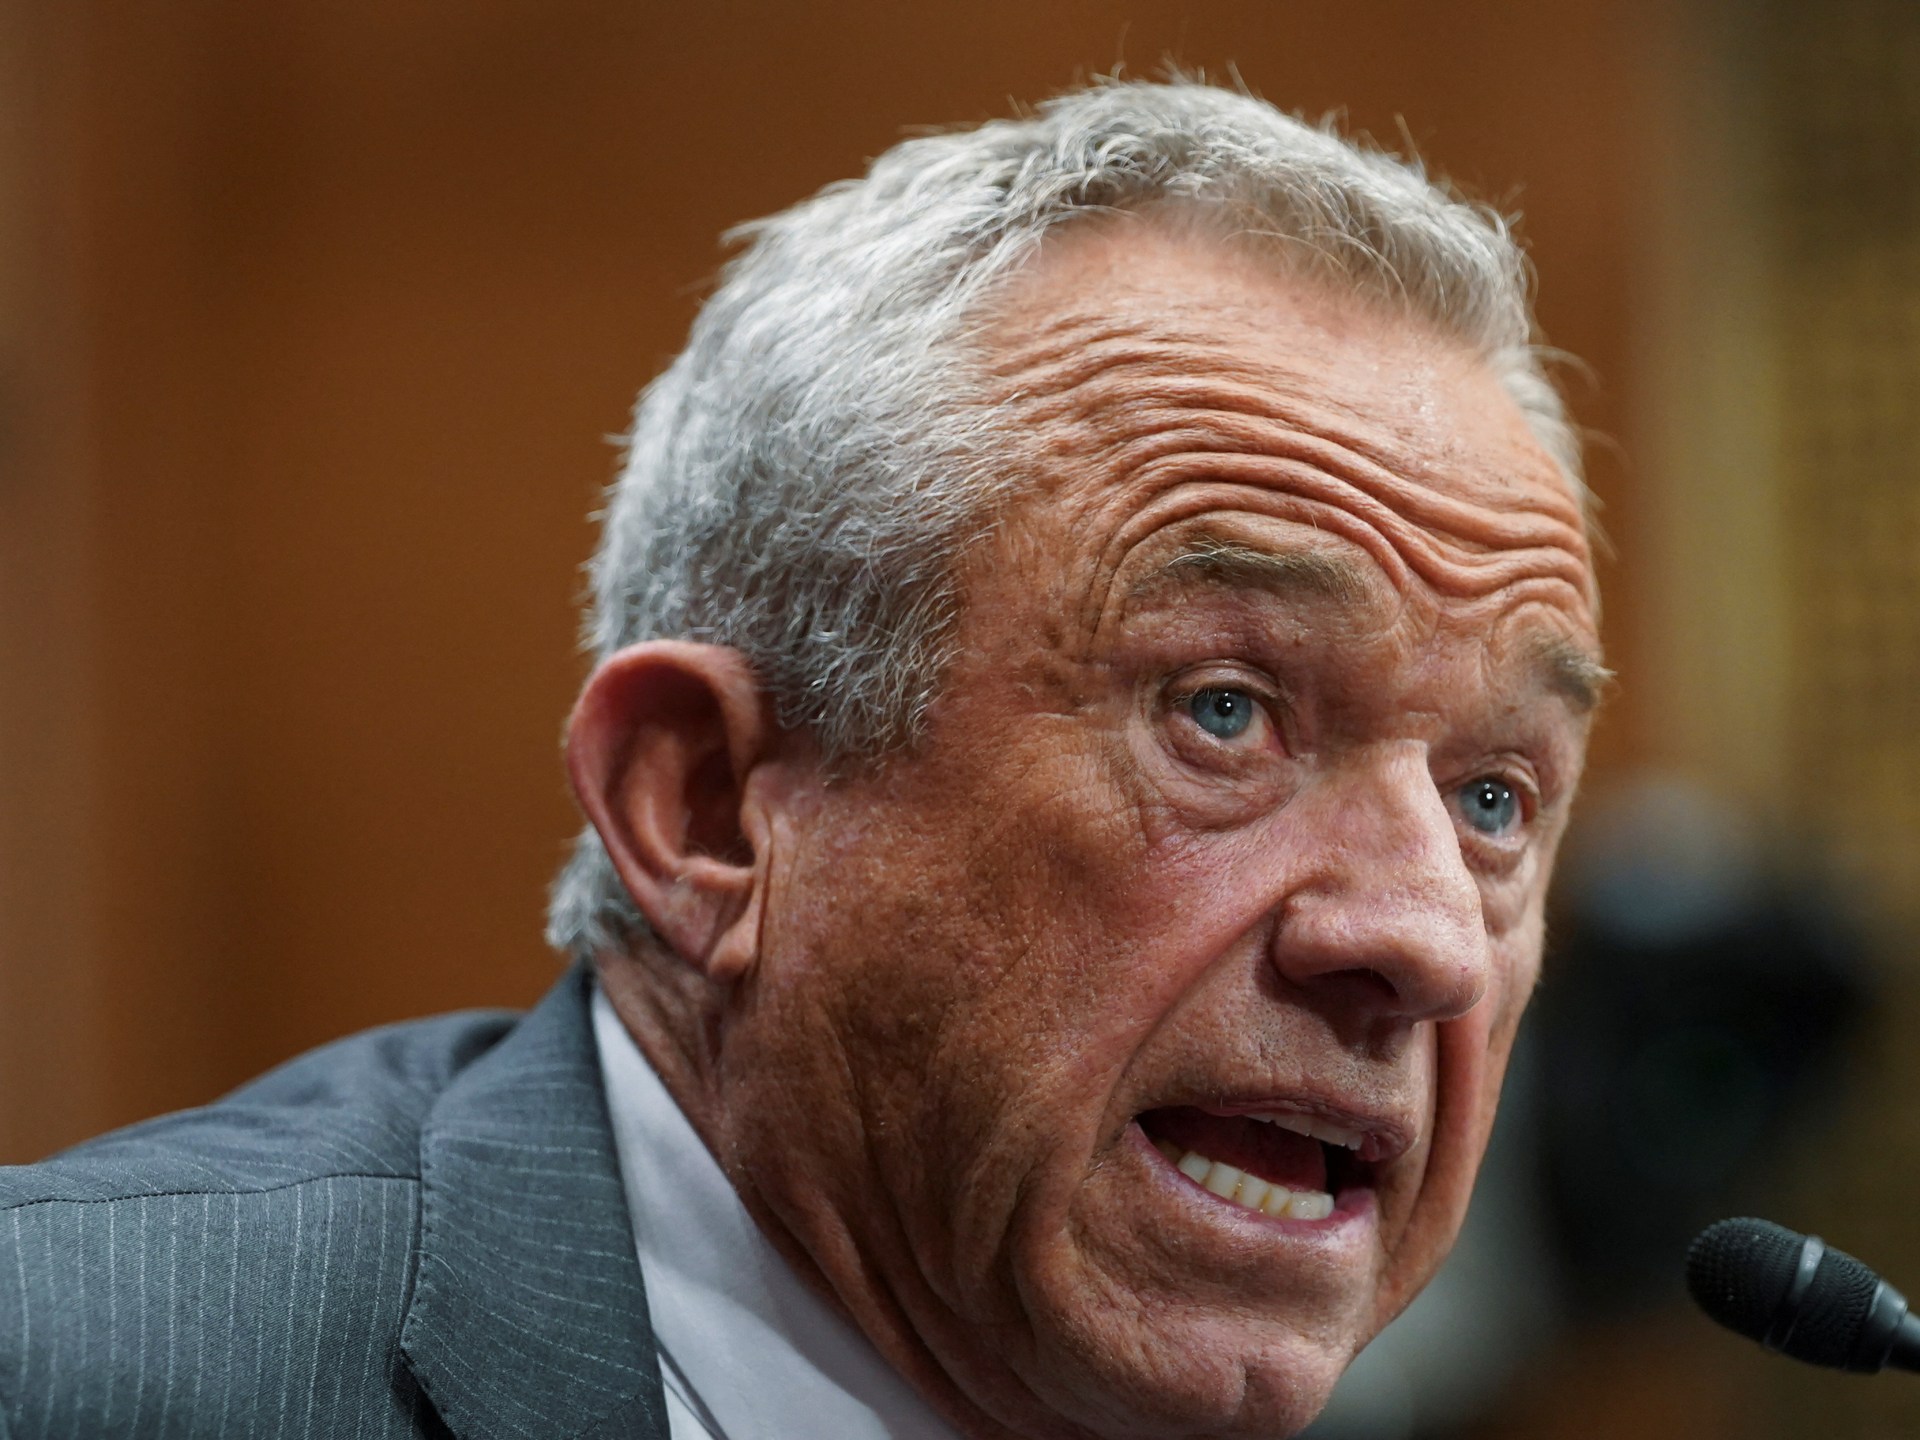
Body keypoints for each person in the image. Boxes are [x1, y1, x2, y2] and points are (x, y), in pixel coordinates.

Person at [0, 79, 1605, 1440]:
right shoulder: (84, 1371)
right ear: (704, 806)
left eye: (1492, 801)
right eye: (1223, 713)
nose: (1426, 941)